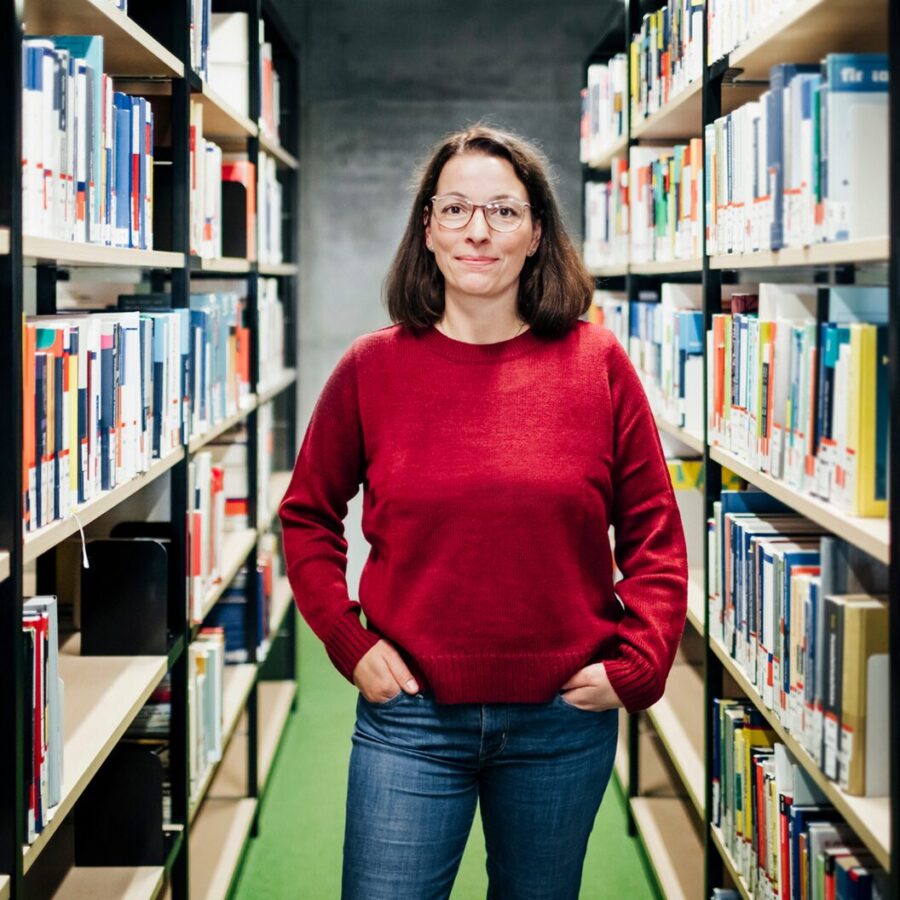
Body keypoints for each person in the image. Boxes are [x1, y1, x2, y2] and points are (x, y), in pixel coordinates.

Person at [279, 124, 688, 900]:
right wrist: (347, 638)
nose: (478, 230)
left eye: (503, 212)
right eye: (456, 208)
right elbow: (307, 515)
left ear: (536, 233)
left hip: (562, 719)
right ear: (426, 229)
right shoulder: (371, 369)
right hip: (411, 716)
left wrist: (641, 660)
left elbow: (654, 533)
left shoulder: (597, 363)